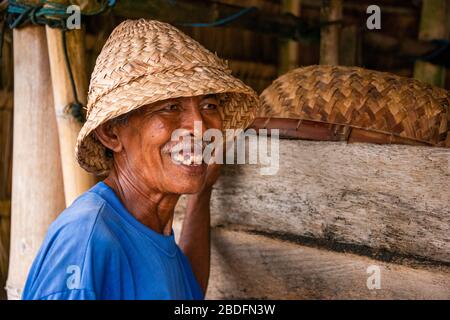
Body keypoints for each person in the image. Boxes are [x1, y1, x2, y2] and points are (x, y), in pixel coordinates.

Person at [22, 19, 258, 300]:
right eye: (171, 107)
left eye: (209, 105)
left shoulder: (151, 229)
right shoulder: (86, 241)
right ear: (111, 133)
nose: (200, 126)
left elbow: (187, 293)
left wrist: (202, 191)